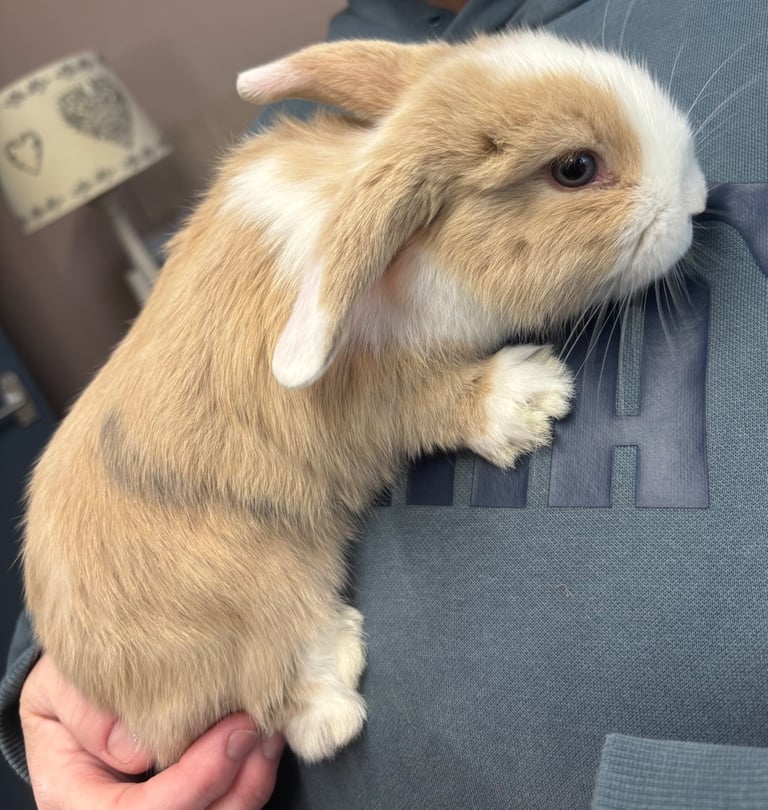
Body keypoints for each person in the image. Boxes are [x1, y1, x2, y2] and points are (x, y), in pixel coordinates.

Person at [2, 0, 767, 807]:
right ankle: (288, 679)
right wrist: (49, 675)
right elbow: (288, 395)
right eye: (576, 172)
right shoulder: (323, 140)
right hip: (205, 610)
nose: (687, 203)